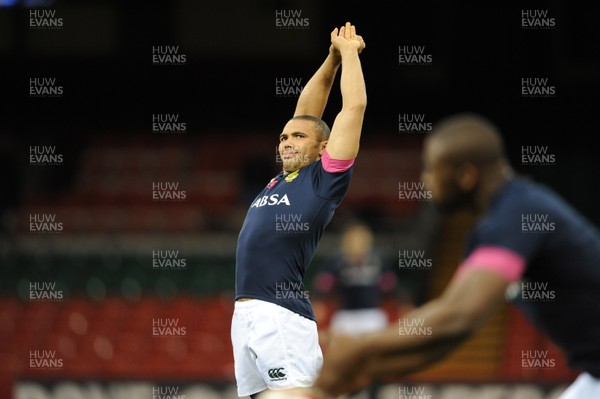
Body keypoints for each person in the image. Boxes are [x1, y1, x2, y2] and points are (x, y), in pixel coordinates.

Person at [309, 112, 600, 398]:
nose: (424, 180)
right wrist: (366, 368)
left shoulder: (518, 213)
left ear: (466, 176)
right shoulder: (493, 226)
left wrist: (360, 348)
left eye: (431, 169)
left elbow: (460, 316)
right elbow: (446, 339)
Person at [231, 22, 367, 398]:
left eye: (298, 137)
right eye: (283, 137)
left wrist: (351, 54)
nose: (286, 141)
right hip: (247, 314)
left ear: (324, 148)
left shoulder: (322, 180)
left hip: (281, 313)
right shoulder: (283, 178)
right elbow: (307, 110)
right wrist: (331, 58)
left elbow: (353, 107)